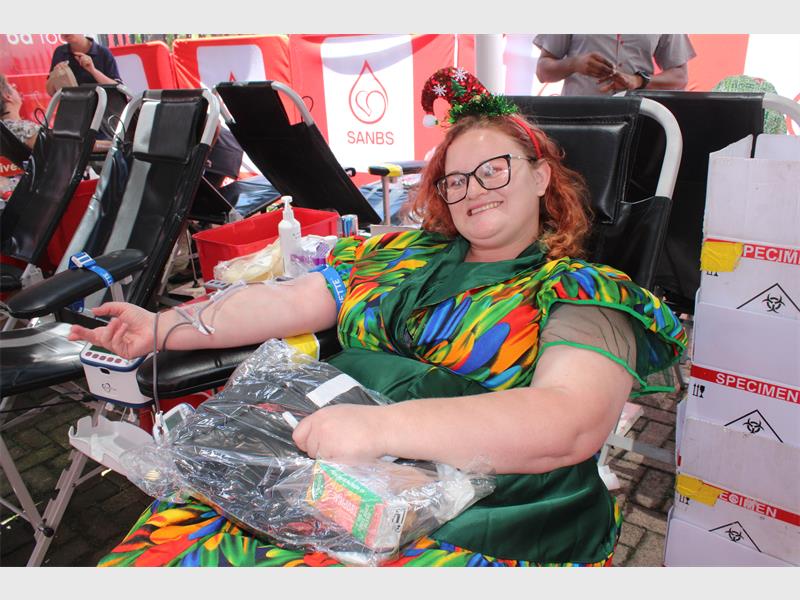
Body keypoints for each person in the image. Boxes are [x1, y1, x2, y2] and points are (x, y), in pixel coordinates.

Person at [68, 72, 686, 567]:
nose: (472, 191)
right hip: (316, 471)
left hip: (476, 513)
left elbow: (569, 424)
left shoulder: (584, 291)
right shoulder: (396, 254)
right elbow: (286, 301)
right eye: (454, 181)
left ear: (541, 174)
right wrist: (163, 326)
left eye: (493, 169)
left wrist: (380, 429)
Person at [534, 34, 696, 96]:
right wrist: (574, 64)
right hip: (579, 118)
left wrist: (639, 81)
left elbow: (680, 76)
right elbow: (542, 71)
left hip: (638, 117)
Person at [1, 74, 40, 196]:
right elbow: (66, 148)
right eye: (12, 87)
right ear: (8, 96)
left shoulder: (4, 129)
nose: (15, 88)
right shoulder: (25, 129)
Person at [48, 34, 122, 88]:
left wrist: (93, 70)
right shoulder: (60, 52)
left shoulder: (103, 52)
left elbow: (117, 87)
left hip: (102, 104)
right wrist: (55, 75)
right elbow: (51, 92)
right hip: (73, 104)